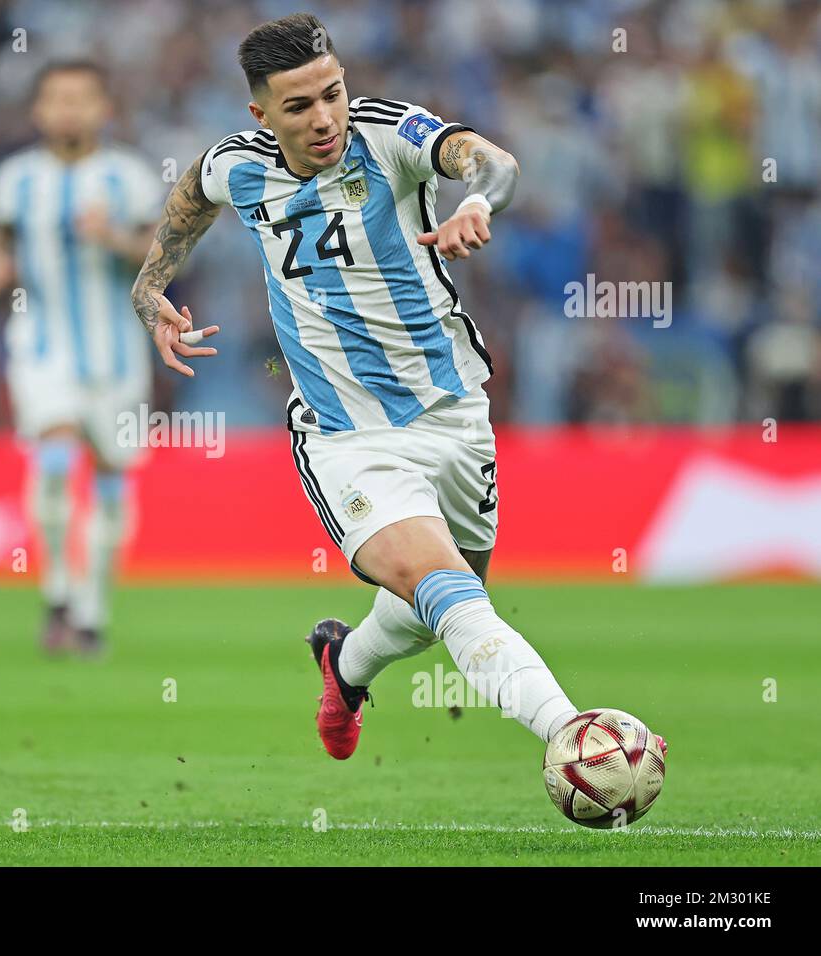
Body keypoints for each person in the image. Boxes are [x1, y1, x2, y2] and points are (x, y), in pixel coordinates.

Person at [129, 13, 667, 761]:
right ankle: (576, 738)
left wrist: (477, 201)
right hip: (347, 435)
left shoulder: (389, 136)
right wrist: (150, 285)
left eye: (332, 93)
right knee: (441, 584)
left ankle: (343, 667)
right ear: (261, 115)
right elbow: (193, 193)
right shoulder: (239, 164)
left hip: (454, 415)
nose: (324, 118)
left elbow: (493, 162)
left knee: (432, 609)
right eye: (299, 106)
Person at [0, 61, 164, 656]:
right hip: (40, 343)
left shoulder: (129, 177)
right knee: (54, 454)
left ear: (103, 108)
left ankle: (91, 610)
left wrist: (115, 238)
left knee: (111, 475)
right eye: (57, 99)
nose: (69, 110)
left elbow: (162, 257)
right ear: (38, 111)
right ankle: (58, 588)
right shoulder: (14, 180)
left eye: (82, 98)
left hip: (117, 349)